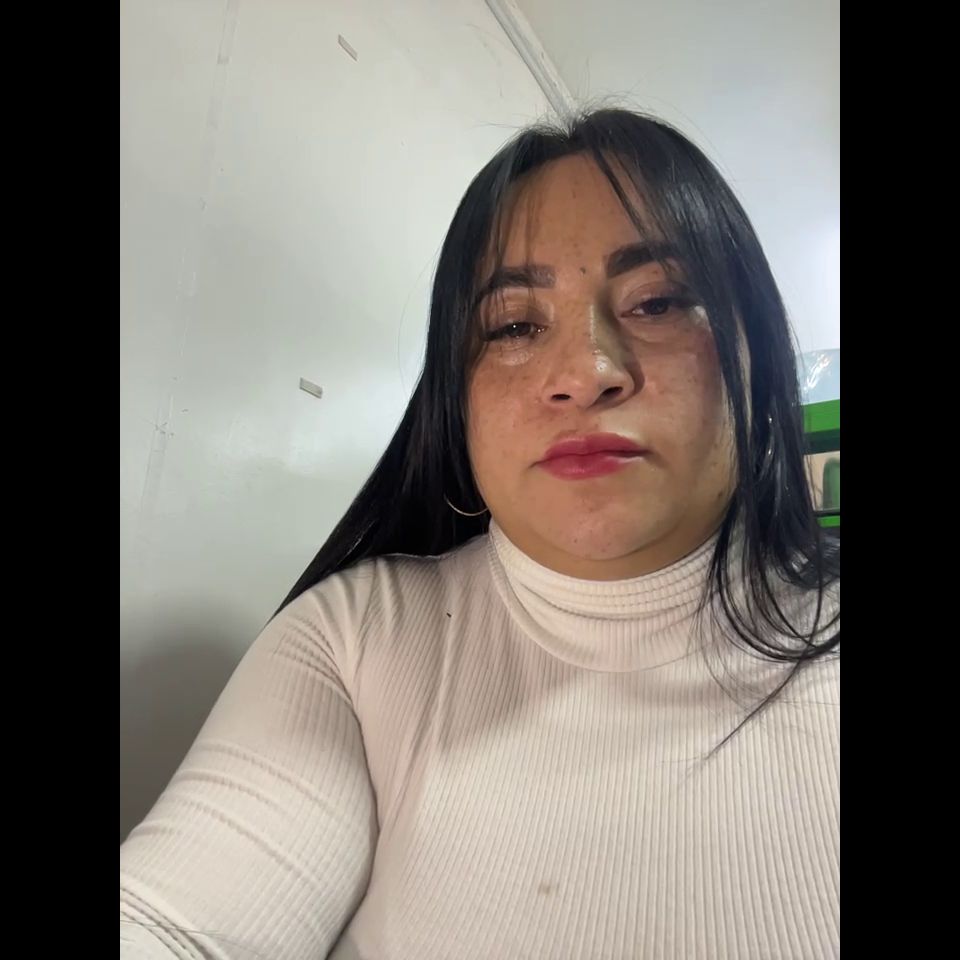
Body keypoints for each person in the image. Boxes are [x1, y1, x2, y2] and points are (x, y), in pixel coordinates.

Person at [120, 108, 840, 960]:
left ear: (758, 351)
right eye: (513, 326)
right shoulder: (357, 642)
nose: (585, 373)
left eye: (656, 302)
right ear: (456, 397)